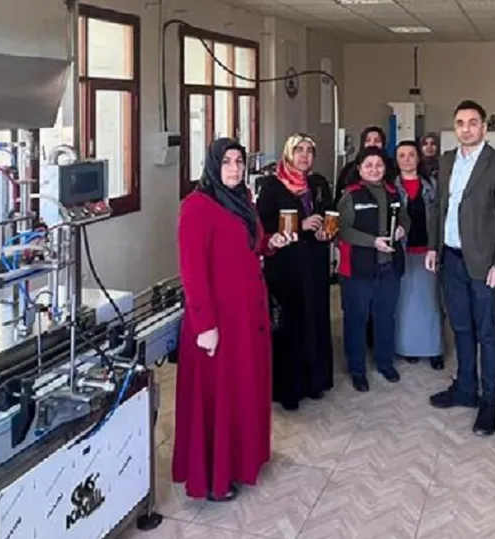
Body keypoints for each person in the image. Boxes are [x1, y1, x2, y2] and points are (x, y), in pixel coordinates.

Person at [173, 138, 291, 501]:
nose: (235, 169)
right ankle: (214, 477)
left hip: (247, 317)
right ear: (212, 166)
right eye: (226, 162)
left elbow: (249, 246)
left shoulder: (243, 200)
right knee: (218, 396)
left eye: (239, 161)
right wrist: (205, 326)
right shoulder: (197, 206)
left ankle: (242, 460)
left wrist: (271, 243)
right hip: (218, 321)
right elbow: (192, 271)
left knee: (243, 389)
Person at [426, 100, 495, 437]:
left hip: (485, 264)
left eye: (472, 122)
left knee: (486, 331)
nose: (466, 129)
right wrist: (434, 247)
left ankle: (488, 401)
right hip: (451, 258)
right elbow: (439, 208)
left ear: (483, 127)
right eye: (460, 123)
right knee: (461, 327)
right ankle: (465, 388)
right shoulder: (446, 161)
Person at [256, 133, 335, 411]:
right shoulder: (272, 185)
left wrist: (327, 232)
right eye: (298, 150)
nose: (304, 155)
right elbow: (261, 226)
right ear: (288, 153)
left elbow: (330, 215)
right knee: (289, 323)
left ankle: (315, 382)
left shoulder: (318, 183)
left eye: (309, 151)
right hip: (286, 266)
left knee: (315, 317)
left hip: (314, 262)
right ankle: (290, 389)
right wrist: (300, 226)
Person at [337, 147, 410, 392]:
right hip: (358, 270)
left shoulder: (393, 192)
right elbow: (342, 230)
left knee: (385, 318)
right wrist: (372, 242)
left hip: (389, 268)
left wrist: (402, 228)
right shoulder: (351, 195)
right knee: (356, 320)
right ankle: (357, 370)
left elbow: (405, 218)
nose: (374, 170)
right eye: (368, 165)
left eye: (378, 165)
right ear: (359, 168)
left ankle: (384, 362)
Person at [393, 141, 444, 370]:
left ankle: (433, 349)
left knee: (430, 303)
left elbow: (439, 218)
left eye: (411, 154)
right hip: (402, 251)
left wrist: (436, 247)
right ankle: (410, 348)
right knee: (405, 304)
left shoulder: (432, 186)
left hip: (427, 251)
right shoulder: (391, 188)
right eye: (402, 155)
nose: (407, 159)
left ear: (418, 158)